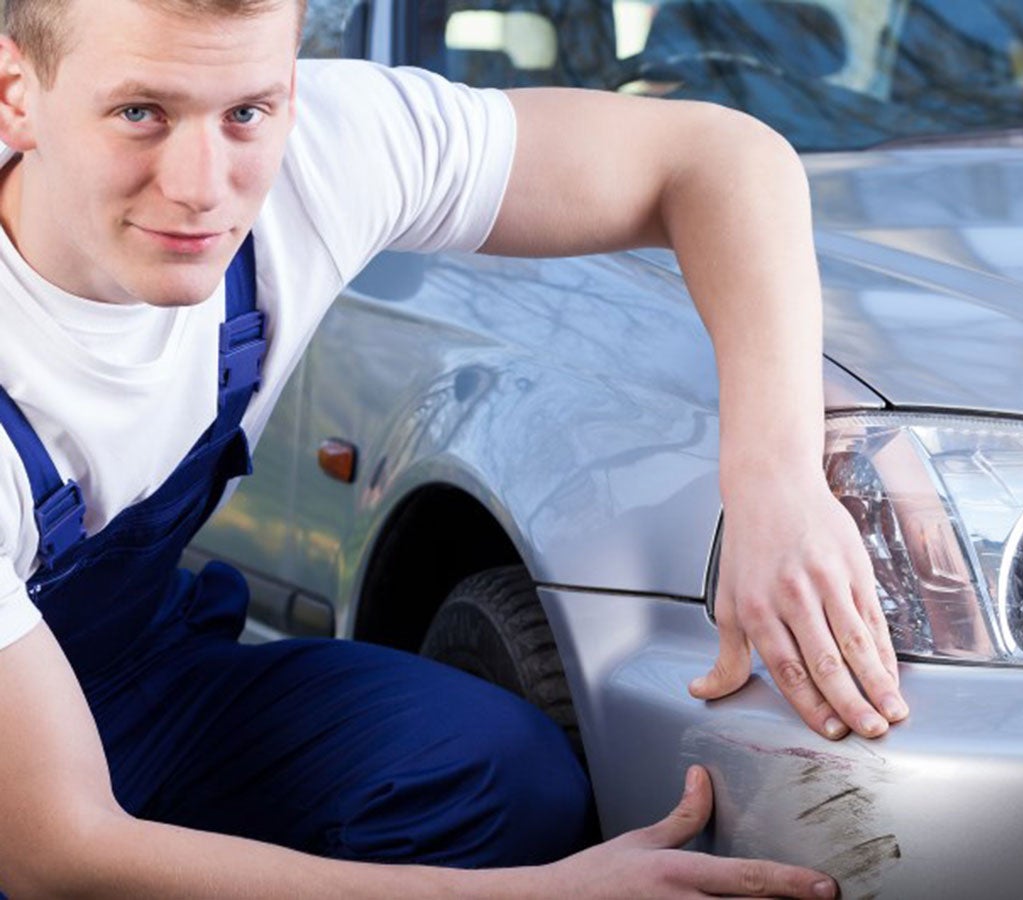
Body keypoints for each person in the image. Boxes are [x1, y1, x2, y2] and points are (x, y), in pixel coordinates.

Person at [0, 0, 908, 895]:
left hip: (136, 682)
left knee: (495, 777)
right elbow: (53, 850)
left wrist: (778, 482)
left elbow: (721, 158)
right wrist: (547, 896)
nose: (202, 183)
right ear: (15, 95)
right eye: (139, 114)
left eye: (247, 112)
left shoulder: (327, 148)